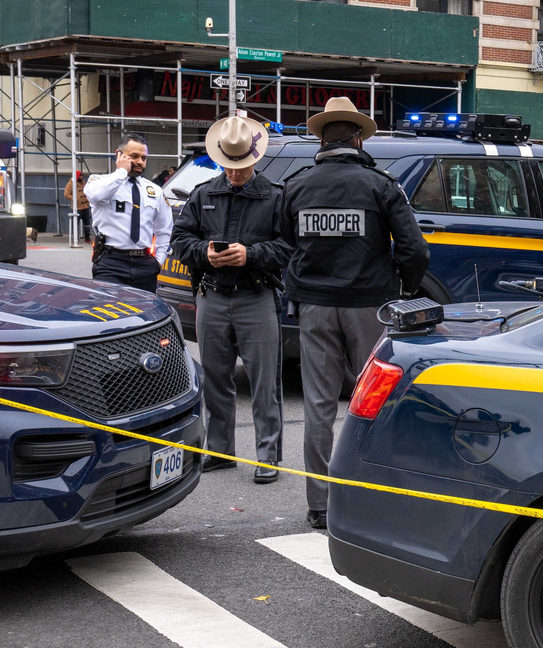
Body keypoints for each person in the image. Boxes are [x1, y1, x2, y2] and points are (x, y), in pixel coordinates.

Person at [280, 96, 430, 531]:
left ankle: (320, 505)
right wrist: (405, 287)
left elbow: (286, 244)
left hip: (315, 308)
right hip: (369, 306)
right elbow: (414, 249)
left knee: (319, 406)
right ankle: (369, 496)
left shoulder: (297, 185)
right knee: (375, 403)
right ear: (359, 137)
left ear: (322, 138)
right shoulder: (381, 186)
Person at [168, 115, 290, 485]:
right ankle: (221, 452)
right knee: (217, 380)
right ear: (220, 159)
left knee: (264, 381)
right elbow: (179, 240)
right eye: (229, 166)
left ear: (255, 158)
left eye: (241, 166)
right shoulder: (203, 194)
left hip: (257, 295)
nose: (235, 173)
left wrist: (250, 254)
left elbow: (289, 247)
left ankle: (269, 456)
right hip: (212, 296)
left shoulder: (275, 196)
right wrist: (204, 252)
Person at [85, 133, 174, 291]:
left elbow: (164, 230)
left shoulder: (154, 191)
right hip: (111, 262)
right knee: (111, 313)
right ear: (118, 155)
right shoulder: (99, 181)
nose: (140, 161)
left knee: (145, 314)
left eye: (144, 158)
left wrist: (158, 262)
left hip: (145, 263)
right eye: (134, 156)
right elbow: (95, 195)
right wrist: (121, 172)